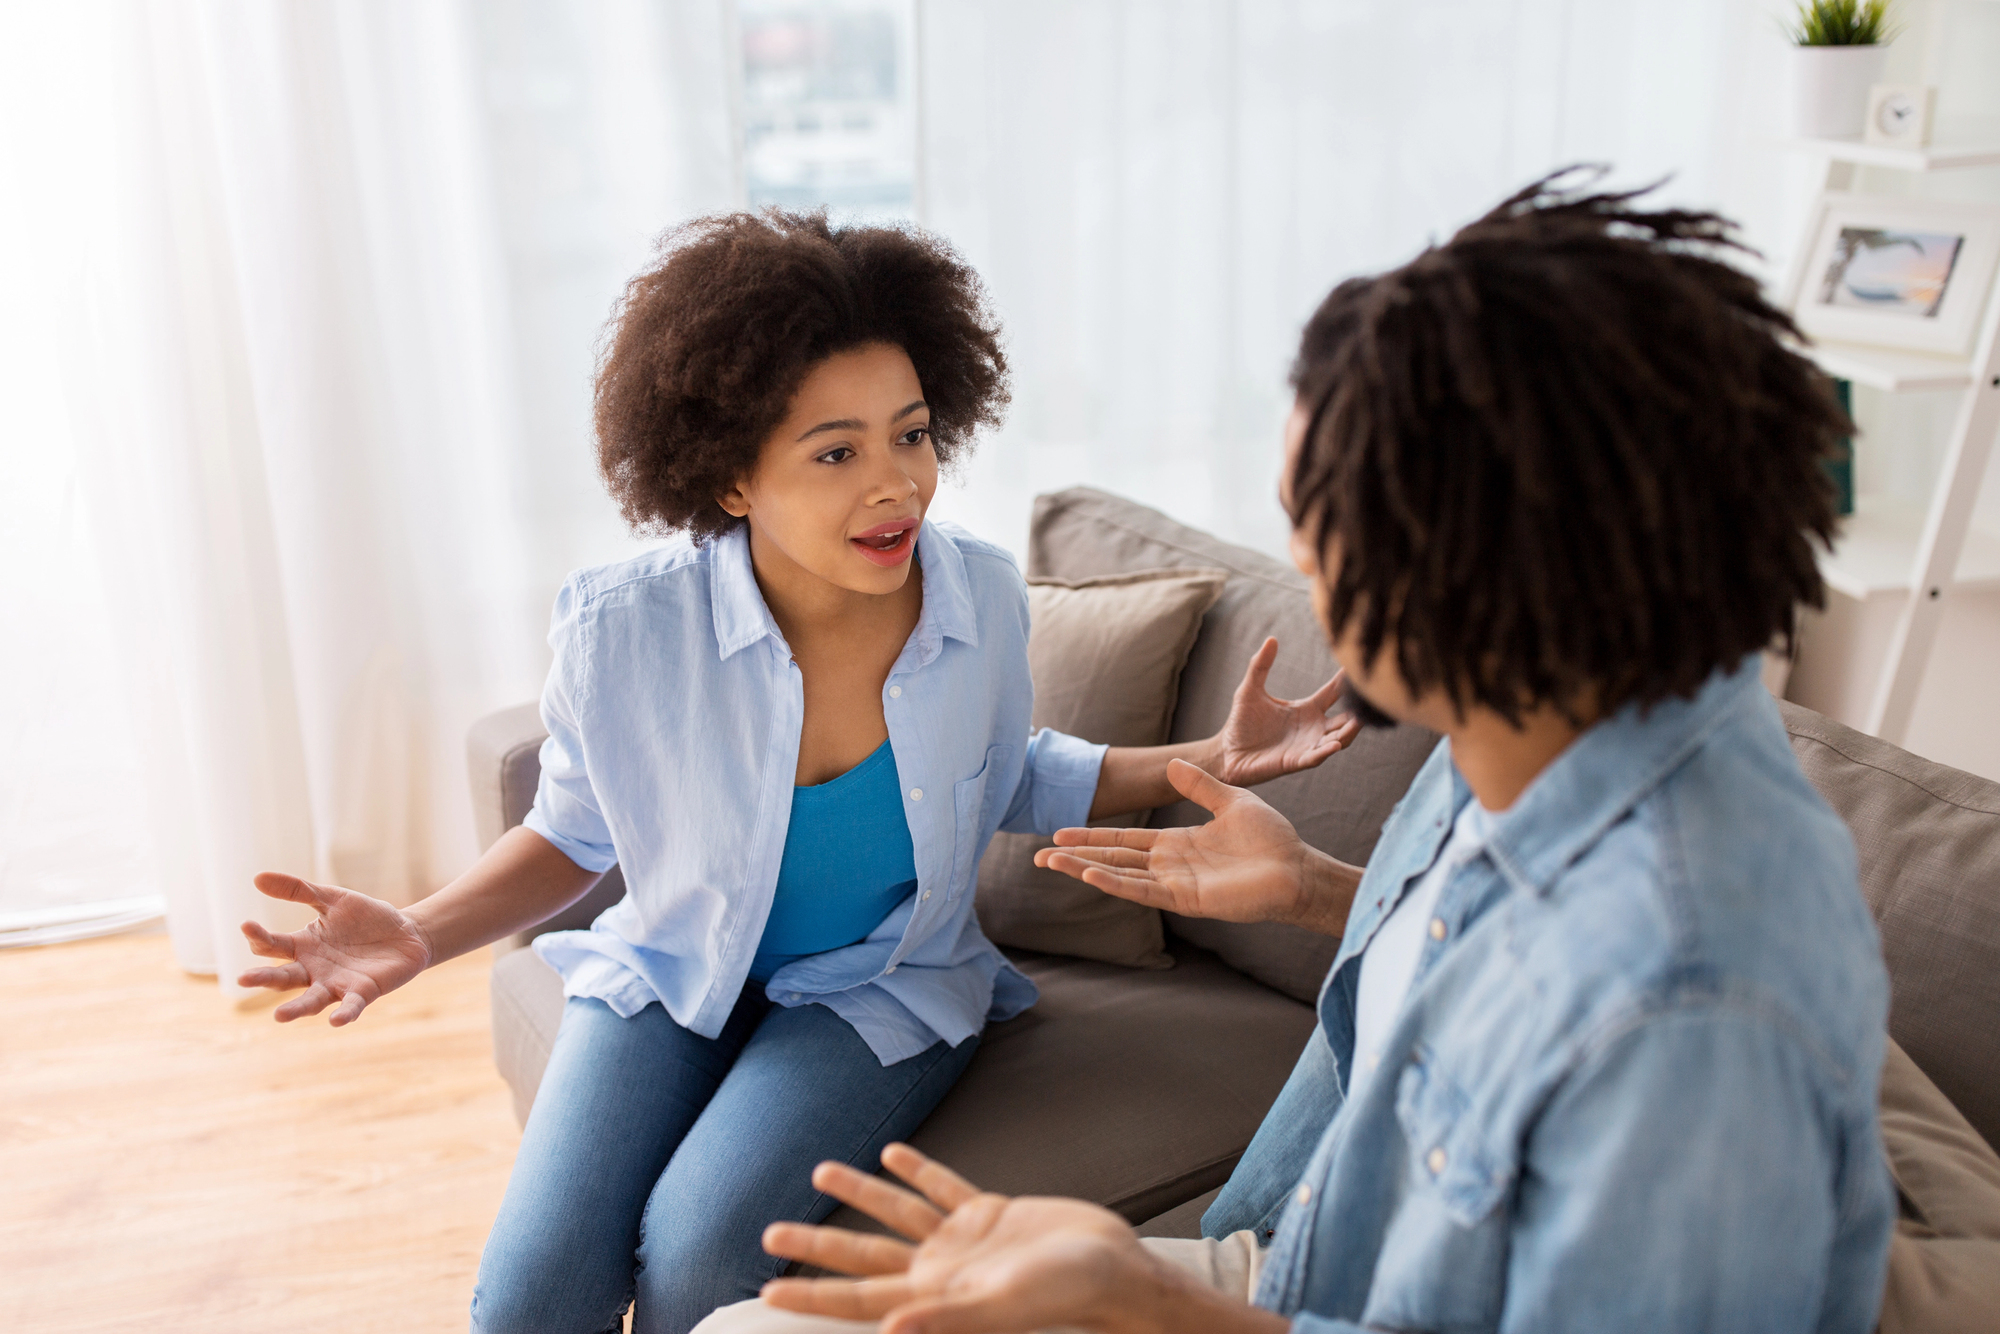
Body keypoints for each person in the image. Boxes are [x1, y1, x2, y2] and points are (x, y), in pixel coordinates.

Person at [701, 173, 1896, 1333]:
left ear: (1493, 570)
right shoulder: (1565, 699)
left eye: (1322, 523)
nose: (1302, 568)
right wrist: (1316, 889)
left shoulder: (1689, 1018)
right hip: (1293, 1269)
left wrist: (1141, 1301)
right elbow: (1505, 955)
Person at [235, 211, 1358, 1334]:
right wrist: (423, 930)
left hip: (883, 988)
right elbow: (579, 833)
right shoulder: (625, 632)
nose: (895, 485)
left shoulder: (978, 597)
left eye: (910, 435)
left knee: (700, 1253)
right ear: (728, 479)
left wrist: (1207, 759)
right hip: (671, 968)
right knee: (533, 1291)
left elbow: (1000, 774)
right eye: (835, 452)